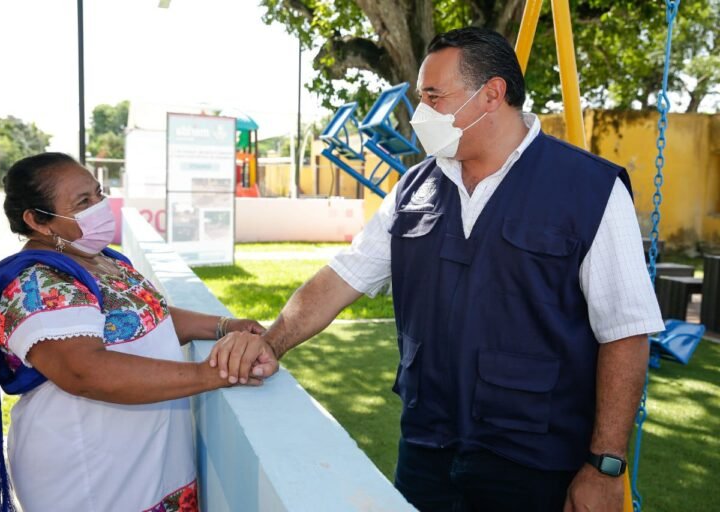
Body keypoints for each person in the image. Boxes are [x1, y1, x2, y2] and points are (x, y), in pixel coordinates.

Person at [209, 27, 665, 512]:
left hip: (535, 464)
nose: (420, 114)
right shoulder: (414, 189)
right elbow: (340, 278)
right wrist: (271, 341)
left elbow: (627, 332)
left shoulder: (590, 190)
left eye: (433, 96)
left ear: (492, 94)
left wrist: (604, 465)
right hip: (427, 452)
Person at [0, 152, 265, 511]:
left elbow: (147, 316)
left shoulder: (104, 259)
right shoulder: (37, 283)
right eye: (83, 202)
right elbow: (84, 371)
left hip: (145, 463)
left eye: (98, 194)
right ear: (38, 221)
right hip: (90, 474)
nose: (99, 206)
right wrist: (215, 373)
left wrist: (222, 326)